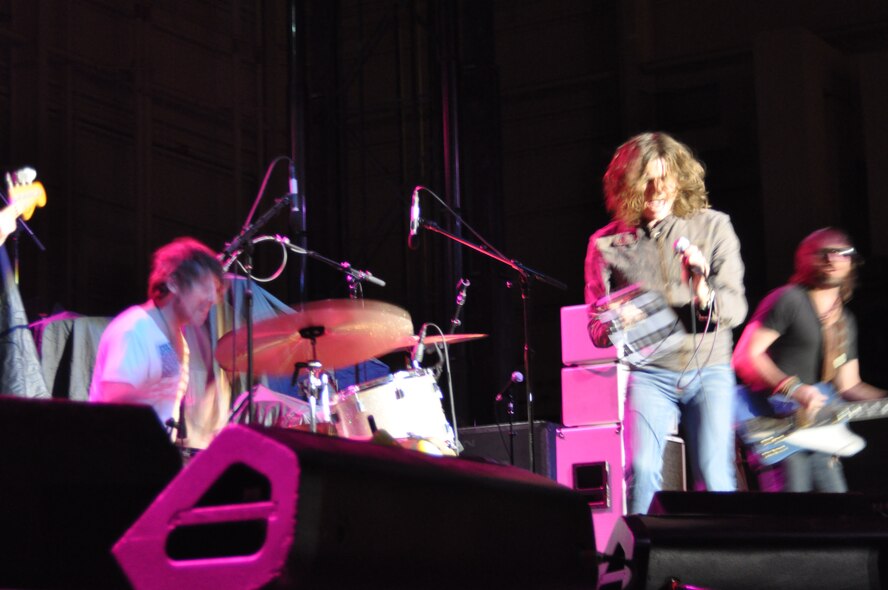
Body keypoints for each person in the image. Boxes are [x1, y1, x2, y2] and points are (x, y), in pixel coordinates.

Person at [585, 132, 747, 514]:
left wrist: (702, 291)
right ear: (627, 186)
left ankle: (723, 569)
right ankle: (642, 567)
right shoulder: (605, 244)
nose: (657, 190)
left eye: (665, 179)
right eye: (646, 181)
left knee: (715, 475)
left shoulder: (713, 226)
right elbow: (594, 328)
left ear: (681, 179)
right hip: (650, 372)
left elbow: (736, 309)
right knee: (640, 472)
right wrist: (614, 321)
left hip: (709, 367)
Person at [732, 228, 885, 492]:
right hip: (778, 422)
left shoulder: (844, 321)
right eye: (823, 252)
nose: (832, 258)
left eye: (841, 253)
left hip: (821, 428)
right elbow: (746, 355)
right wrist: (795, 389)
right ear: (804, 259)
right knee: (793, 505)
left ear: (851, 262)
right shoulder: (788, 300)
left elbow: (849, 386)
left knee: (838, 509)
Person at [89, 237, 225, 445]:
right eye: (205, 287)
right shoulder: (135, 330)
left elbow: (161, 395)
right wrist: (148, 394)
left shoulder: (173, 339)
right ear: (173, 282)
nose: (213, 299)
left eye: (214, 290)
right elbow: (110, 406)